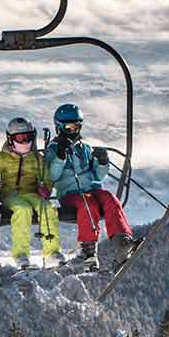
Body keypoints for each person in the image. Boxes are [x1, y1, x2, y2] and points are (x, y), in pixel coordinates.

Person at [45, 103, 134, 270]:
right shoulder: (53, 149)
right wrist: (60, 157)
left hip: (93, 190)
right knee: (88, 204)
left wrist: (102, 162)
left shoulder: (84, 148)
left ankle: (122, 240)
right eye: (69, 127)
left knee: (110, 199)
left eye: (77, 126)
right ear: (59, 127)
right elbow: (52, 176)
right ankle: (88, 250)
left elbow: (97, 176)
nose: (73, 130)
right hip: (70, 194)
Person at [0, 117, 64, 270]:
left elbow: (47, 178)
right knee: (23, 210)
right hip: (11, 196)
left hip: (32, 193)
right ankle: (21, 255)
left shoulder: (36, 158)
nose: (24, 141)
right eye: (20, 138)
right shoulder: (3, 158)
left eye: (27, 137)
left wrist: (46, 188)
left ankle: (52, 252)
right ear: (11, 139)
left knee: (47, 208)